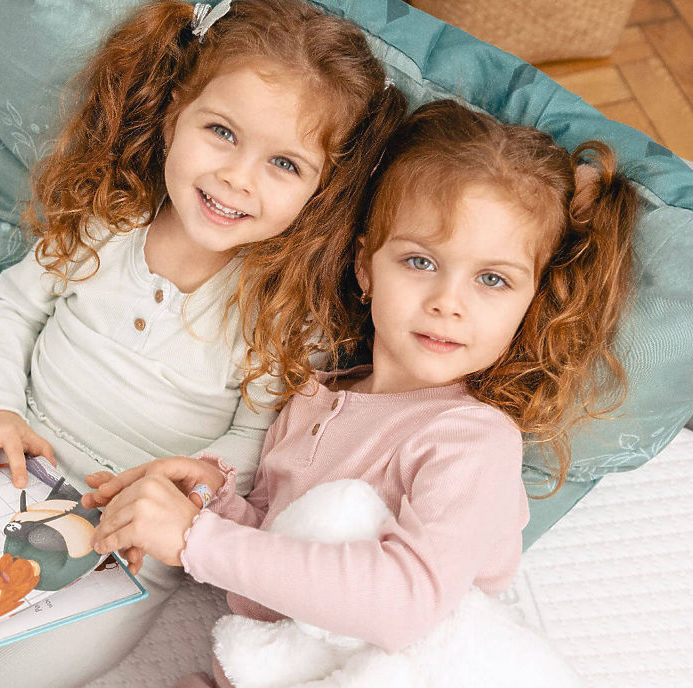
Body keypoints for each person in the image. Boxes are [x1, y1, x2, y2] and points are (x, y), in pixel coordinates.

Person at [0, 2, 406, 686]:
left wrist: (184, 486)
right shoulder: (110, 221)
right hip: (16, 454)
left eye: (284, 164)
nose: (237, 177)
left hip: (130, 530)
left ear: (321, 190)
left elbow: (257, 440)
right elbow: (12, 309)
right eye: (222, 131)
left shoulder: (285, 313)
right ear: (175, 116)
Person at [83, 98, 639, 687]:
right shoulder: (311, 399)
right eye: (420, 261)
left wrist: (198, 539)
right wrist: (212, 502)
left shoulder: (472, 439)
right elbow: (276, 565)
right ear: (366, 267)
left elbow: (403, 604)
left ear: (529, 302)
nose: (448, 302)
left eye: (492, 279)